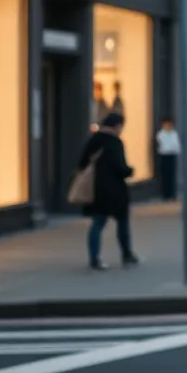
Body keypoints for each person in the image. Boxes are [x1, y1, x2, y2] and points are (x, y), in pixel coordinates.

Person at [77, 111, 141, 270]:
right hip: (115, 190)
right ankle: (126, 254)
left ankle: (94, 258)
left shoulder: (93, 140)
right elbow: (120, 167)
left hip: (96, 190)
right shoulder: (115, 143)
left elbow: (82, 163)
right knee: (123, 223)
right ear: (117, 126)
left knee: (97, 224)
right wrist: (130, 171)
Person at [155, 116, 180, 201]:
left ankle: (172, 194)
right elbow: (162, 146)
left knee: (172, 176)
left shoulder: (174, 134)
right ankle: (165, 194)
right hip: (164, 156)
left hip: (172, 156)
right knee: (165, 176)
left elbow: (176, 145)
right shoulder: (160, 134)